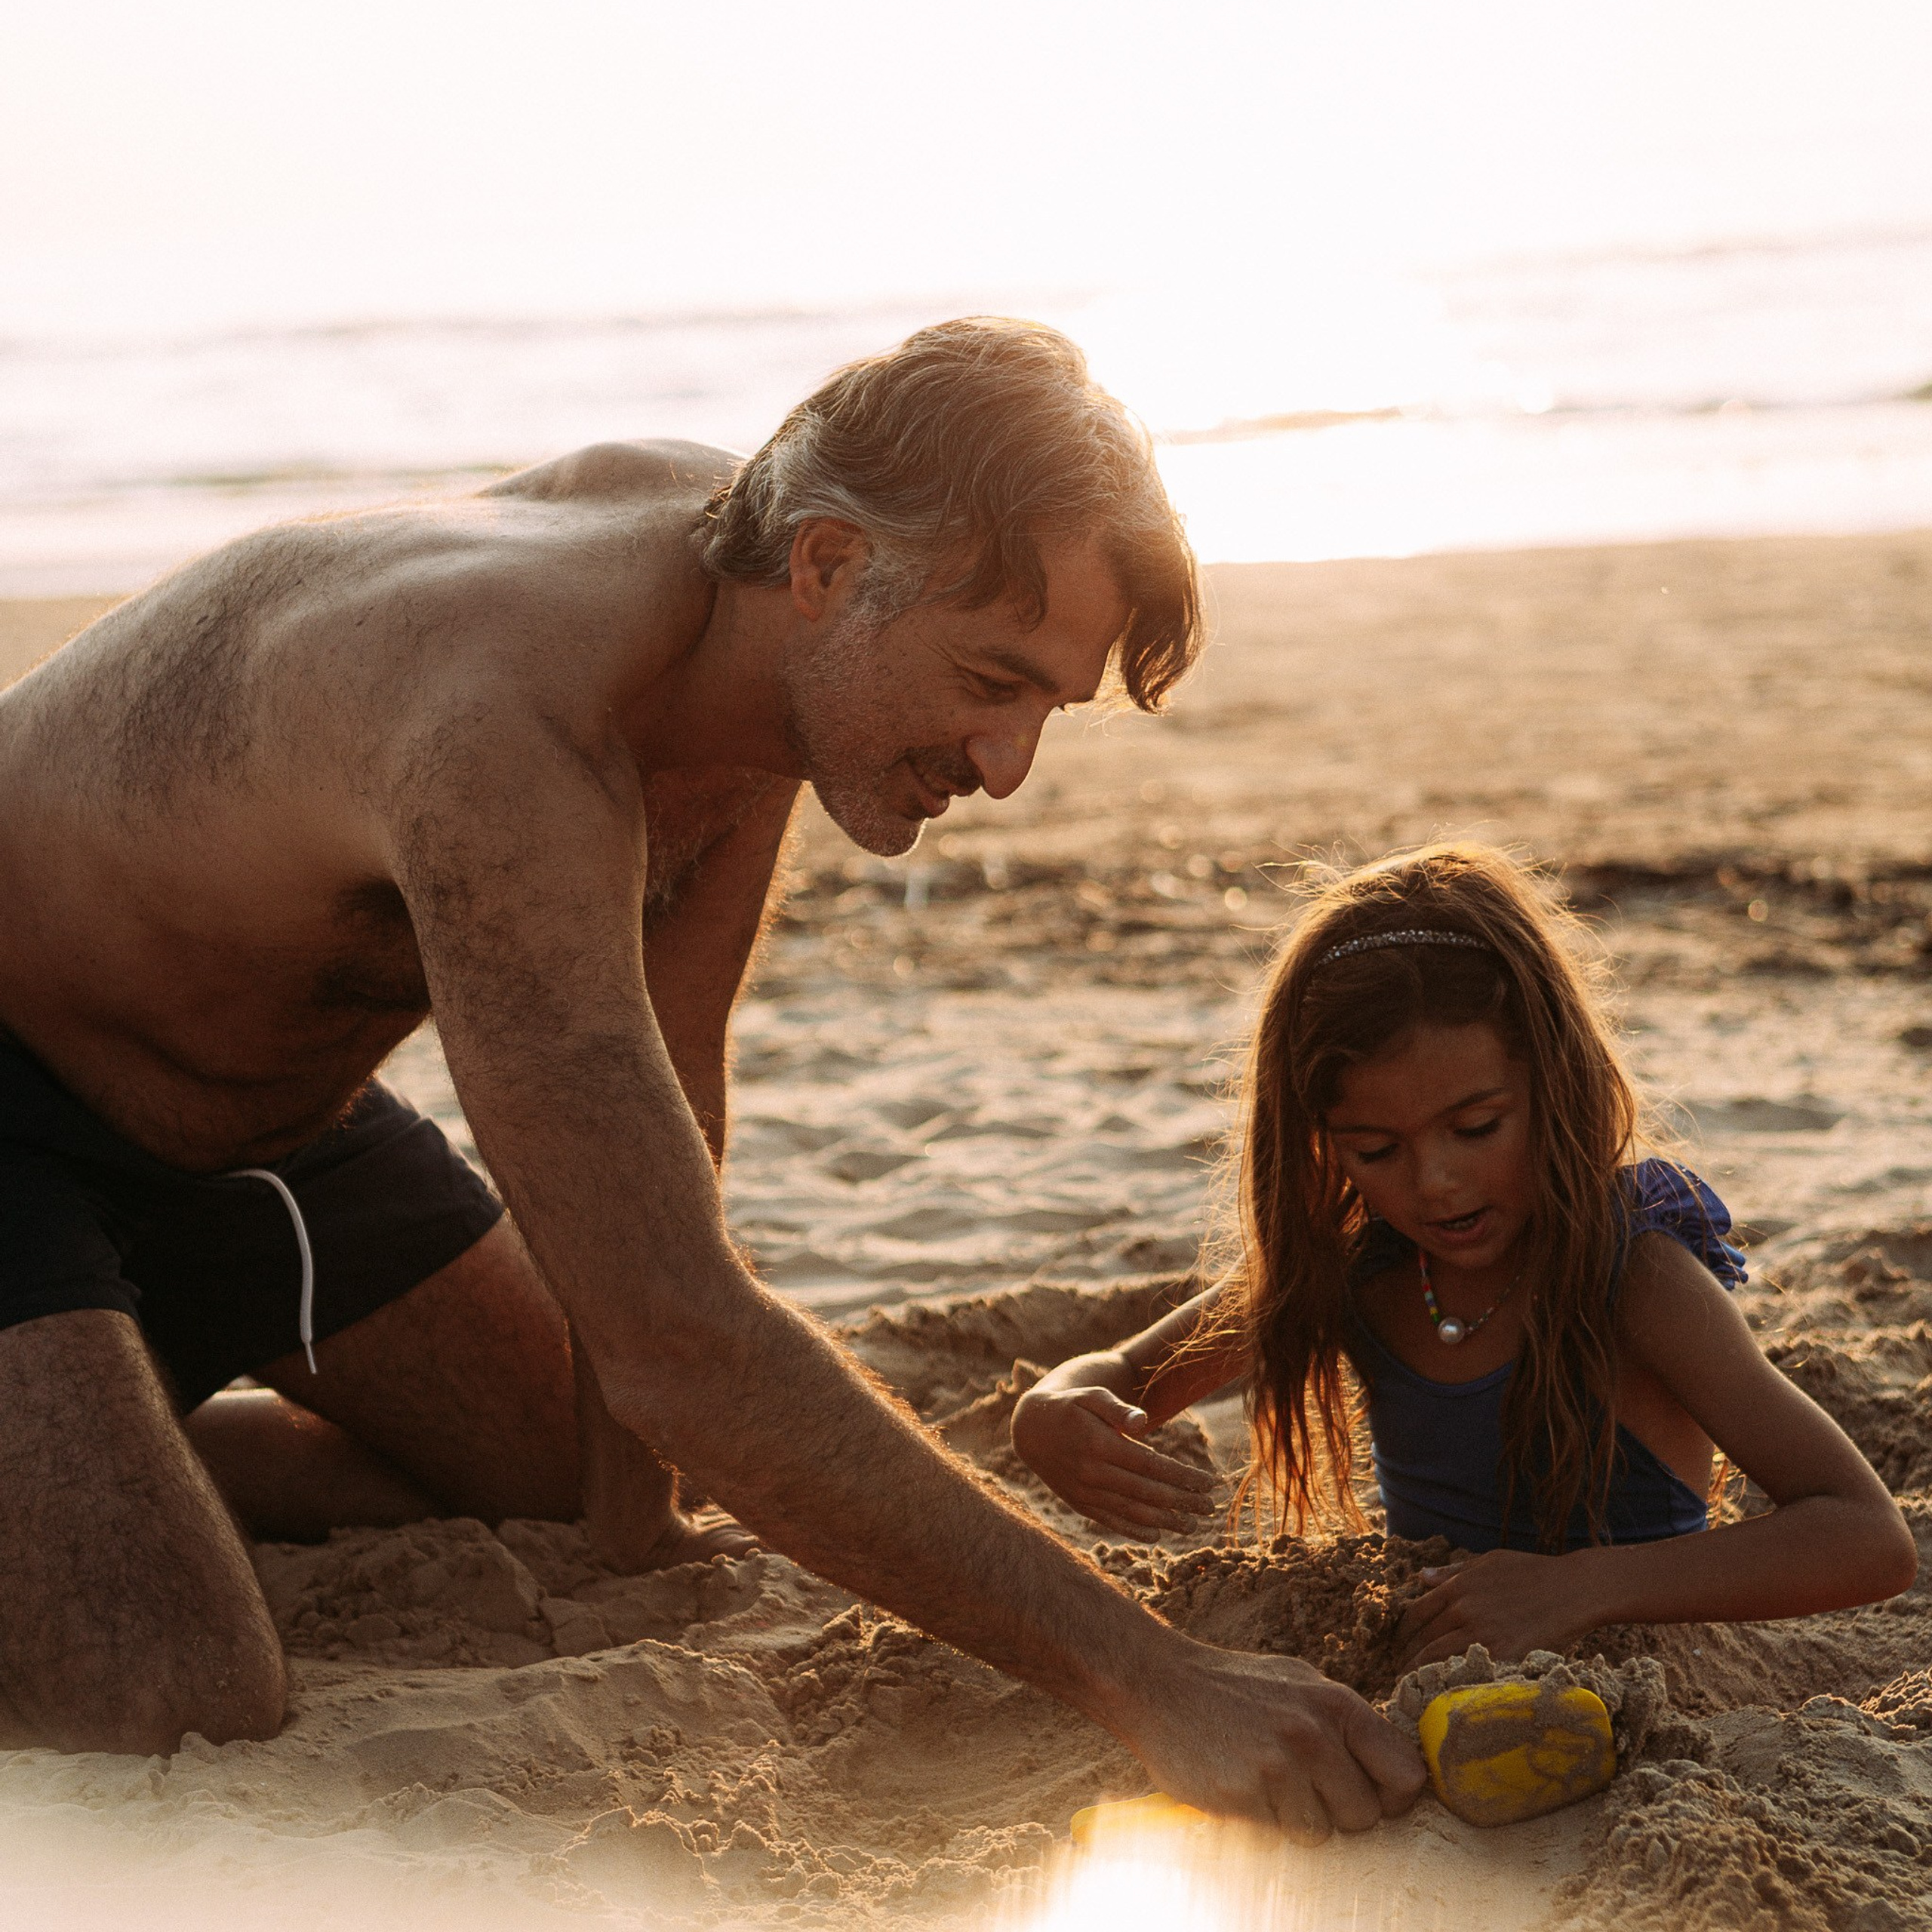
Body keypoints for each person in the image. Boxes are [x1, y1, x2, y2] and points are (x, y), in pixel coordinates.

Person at [0, 317, 1422, 1837]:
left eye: (1044, 710)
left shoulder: (758, 632)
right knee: (169, 1685)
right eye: (989, 680)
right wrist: (1150, 1675)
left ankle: (110, 1415)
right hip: (21, 1086)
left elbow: (671, 1081)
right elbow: (678, 1337)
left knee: (565, 1474)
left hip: (260, 1124)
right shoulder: (507, 725)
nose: (1005, 764)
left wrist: (636, 1517)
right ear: (823, 568)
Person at [1012, 844, 1916, 1663]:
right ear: (1322, 1141)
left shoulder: (1632, 1274)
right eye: (1375, 1149)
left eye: (1475, 1126)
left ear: (1552, 1082)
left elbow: (1864, 1536)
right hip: (1435, 1661)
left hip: (1640, 1664)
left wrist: (1580, 1588)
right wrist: (1049, 1413)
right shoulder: (1353, 1267)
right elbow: (1127, 1374)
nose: (1435, 1182)